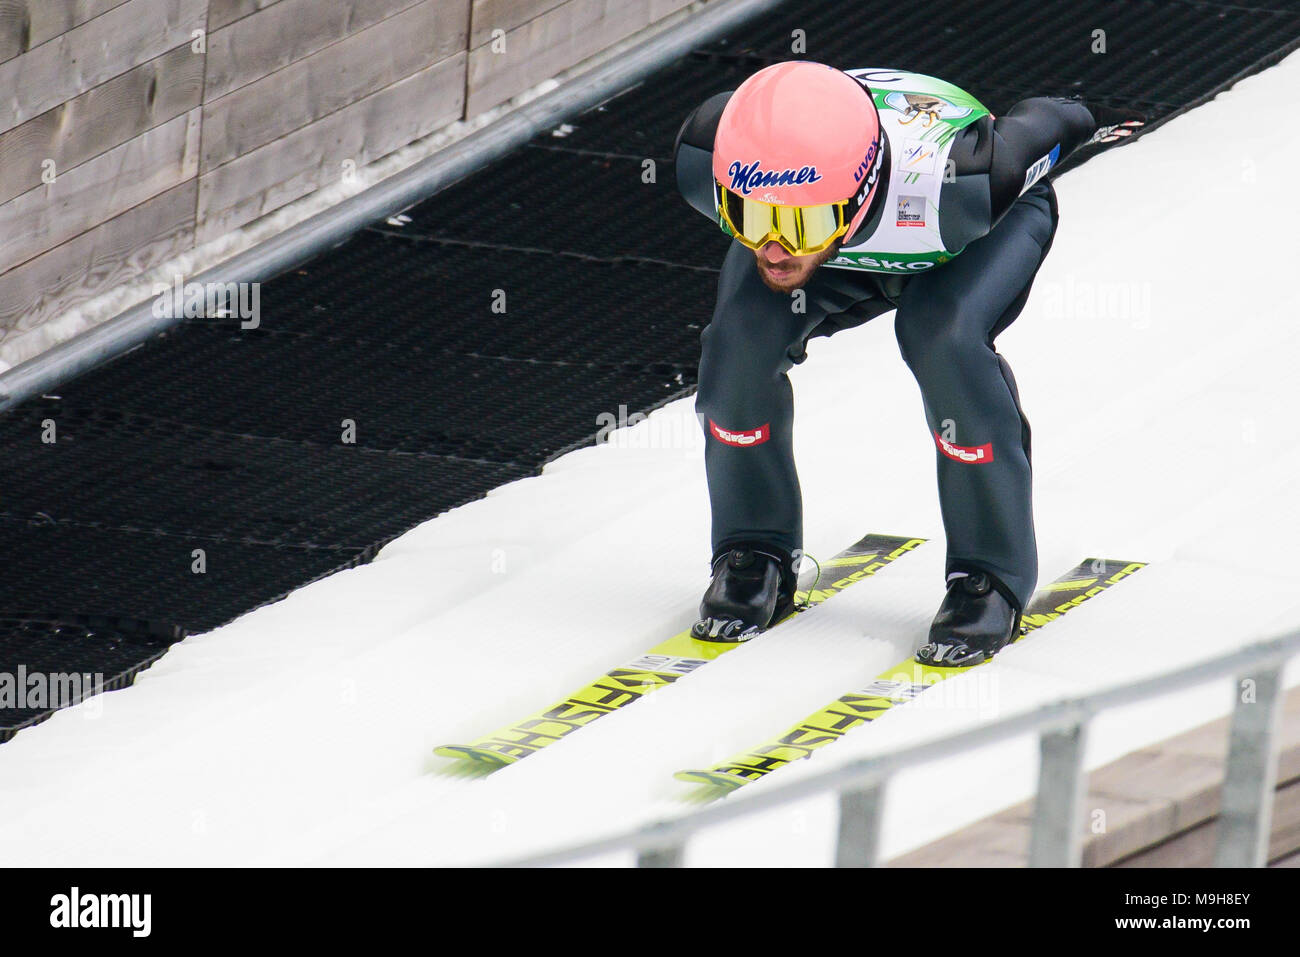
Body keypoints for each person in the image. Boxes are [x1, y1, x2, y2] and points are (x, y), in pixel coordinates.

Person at [673, 61, 1142, 665]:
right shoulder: (703, 154)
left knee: (942, 340)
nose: (775, 248)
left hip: (964, 244)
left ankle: (989, 575)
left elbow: (1053, 114)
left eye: (802, 222)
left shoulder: (968, 183)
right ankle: (753, 550)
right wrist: (802, 224)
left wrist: (1095, 113)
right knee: (737, 348)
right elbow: (777, 217)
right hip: (840, 254)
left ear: (863, 189)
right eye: (751, 216)